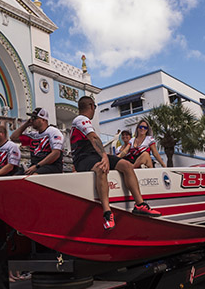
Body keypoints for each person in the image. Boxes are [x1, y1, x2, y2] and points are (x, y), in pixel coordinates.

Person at [70, 96, 161, 229]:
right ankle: (107, 213)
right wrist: (104, 157)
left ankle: (140, 205)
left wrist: (104, 156)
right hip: (83, 158)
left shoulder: (82, 122)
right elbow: (94, 138)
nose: (94, 110)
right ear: (90, 106)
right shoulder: (81, 119)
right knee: (102, 168)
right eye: (95, 107)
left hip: (94, 155)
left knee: (126, 165)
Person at [10, 108, 63, 175]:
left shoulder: (53, 132)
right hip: (35, 166)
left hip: (52, 166)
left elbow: (56, 153)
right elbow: (13, 137)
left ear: (43, 120)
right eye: (31, 118)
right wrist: (26, 124)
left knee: (34, 176)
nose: (32, 120)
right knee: (16, 177)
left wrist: (37, 166)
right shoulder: (33, 135)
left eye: (35, 118)